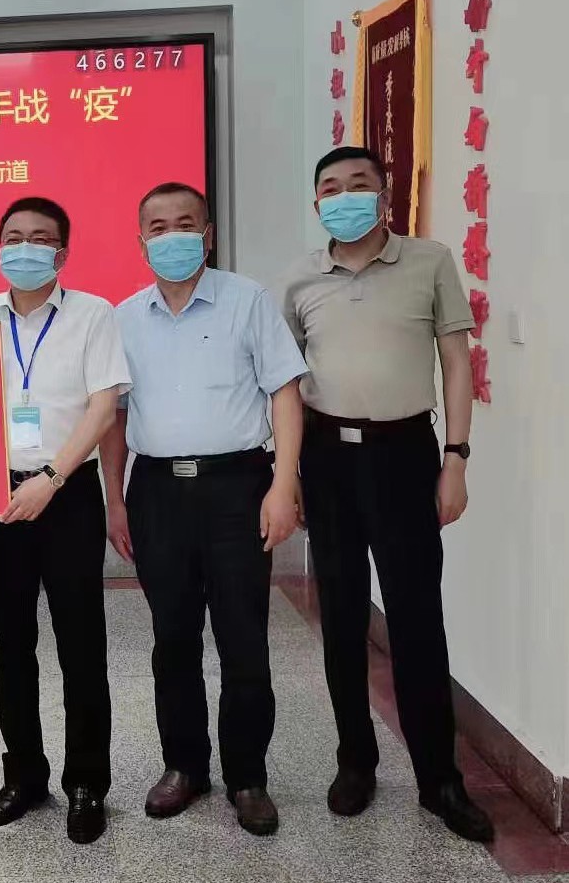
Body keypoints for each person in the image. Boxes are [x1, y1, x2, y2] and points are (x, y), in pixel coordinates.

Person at [283, 147, 493, 843]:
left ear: (384, 192)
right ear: (316, 202)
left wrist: (456, 457)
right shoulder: (300, 280)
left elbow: (455, 360)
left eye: (358, 184)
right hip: (326, 459)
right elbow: (285, 384)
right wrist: (286, 472)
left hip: (404, 455)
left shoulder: (428, 262)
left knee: (415, 618)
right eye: (330, 188)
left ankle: (439, 779)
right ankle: (356, 761)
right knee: (341, 616)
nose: (343, 196)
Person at [100, 183, 307, 837]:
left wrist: (282, 485)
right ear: (141, 242)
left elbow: (285, 393)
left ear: (208, 234)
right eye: (158, 227)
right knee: (173, 639)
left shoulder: (247, 300)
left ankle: (247, 776)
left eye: (185, 223)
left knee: (243, 638)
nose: (173, 236)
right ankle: (184, 766)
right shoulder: (123, 318)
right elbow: (114, 415)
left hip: (236, 487)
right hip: (156, 493)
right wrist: (114, 498)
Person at [0, 197, 129, 845]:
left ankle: (87, 782)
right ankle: (24, 776)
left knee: (81, 645)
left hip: (68, 493)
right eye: (13, 236)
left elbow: (103, 408)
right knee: (10, 647)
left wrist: (51, 478)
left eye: (40, 238)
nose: (24, 247)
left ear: (62, 252)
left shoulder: (93, 314)